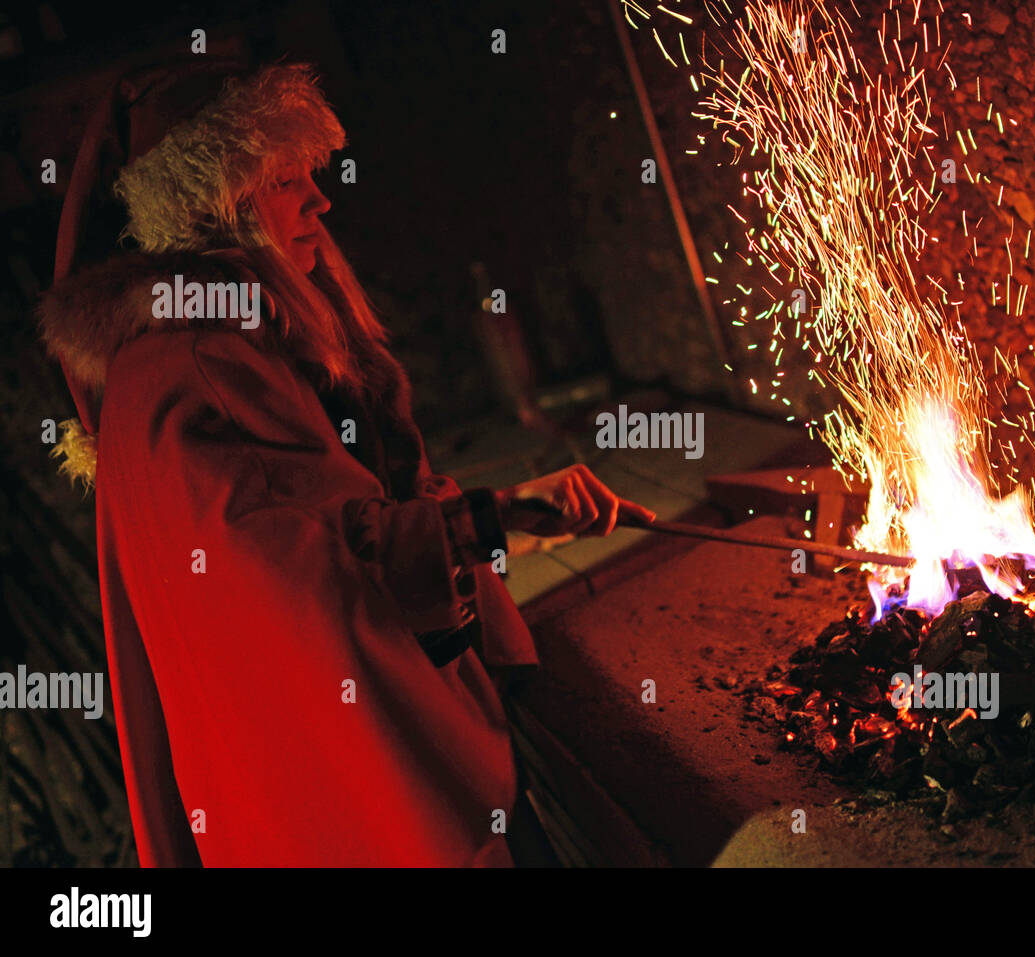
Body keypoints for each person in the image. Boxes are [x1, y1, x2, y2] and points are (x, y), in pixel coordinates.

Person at [37, 60, 652, 866]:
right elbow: (308, 588)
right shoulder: (195, 366)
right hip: (350, 799)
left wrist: (496, 524)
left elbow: (348, 510)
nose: (320, 200)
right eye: (288, 178)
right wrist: (477, 527)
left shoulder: (239, 335)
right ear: (219, 199)